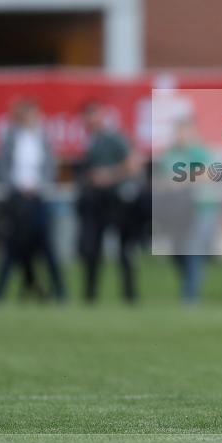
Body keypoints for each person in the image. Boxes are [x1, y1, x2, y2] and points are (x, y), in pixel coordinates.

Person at [0, 100, 65, 303]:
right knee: (13, 246)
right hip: (17, 199)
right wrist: (15, 187)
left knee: (46, 246)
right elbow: (2, 166)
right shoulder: (10, 138)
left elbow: (50, 166)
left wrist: (40, 185)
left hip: (38, 197)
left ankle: (60, 292)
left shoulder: (43, 139)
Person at [76, 101, 144, 304]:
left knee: (125, 250)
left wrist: (109, 175)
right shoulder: (88, 142)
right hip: (96, 201)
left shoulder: (114, 138)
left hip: (117, 201)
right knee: (91, 249)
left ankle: (130, 295)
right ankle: (90, 295)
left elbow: (134, 163)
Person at [158, 116, 218, 304]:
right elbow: (163, 179)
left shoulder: (200, 153)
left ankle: (191, 295)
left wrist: (181, 179)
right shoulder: (170, 155)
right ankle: (188, 289)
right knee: (178, 253)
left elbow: (209, 174)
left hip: (200, 209)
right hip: (176, 212)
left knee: (194, 251)